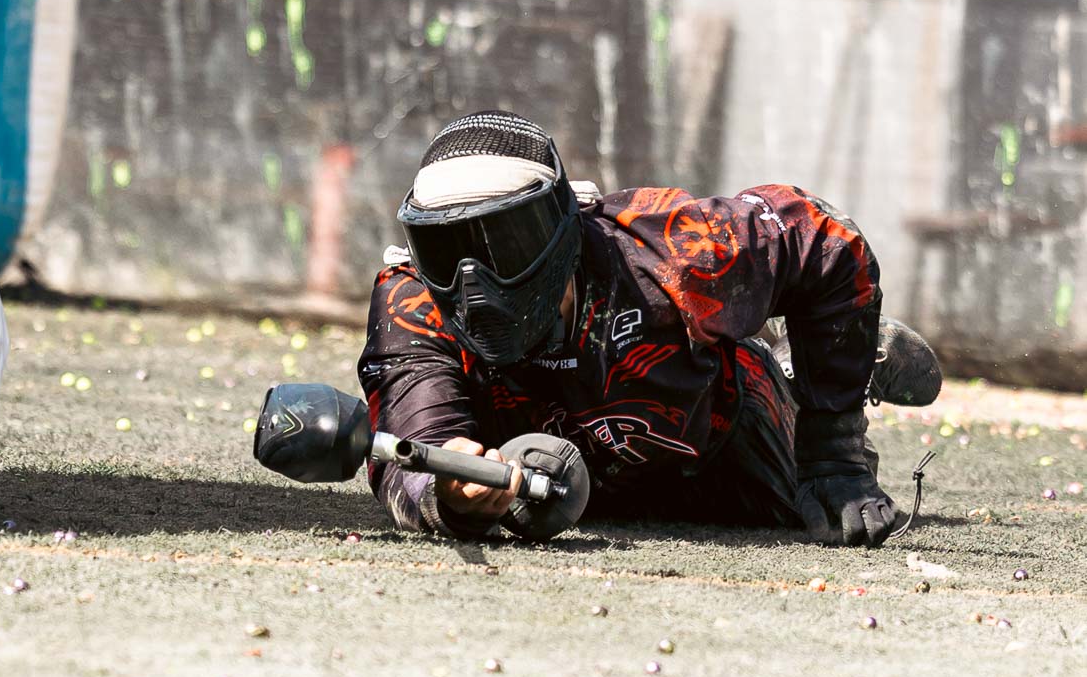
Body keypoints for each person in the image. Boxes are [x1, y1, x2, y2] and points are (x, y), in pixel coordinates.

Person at [357, 111, 942, 547]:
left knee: (821, 508)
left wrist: (833, 445)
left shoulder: (667, 248)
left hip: (720, 433)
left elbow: (825, 241)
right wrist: (449, 489)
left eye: (502, 245)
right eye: (443, 251)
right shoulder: (411, 301)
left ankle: (794, 364)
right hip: (563, 478)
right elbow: (408, 453)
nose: (474, 283)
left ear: (562, 225)